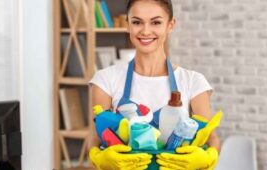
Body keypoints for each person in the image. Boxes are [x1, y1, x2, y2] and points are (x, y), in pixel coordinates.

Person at [88, 0, 221, 169]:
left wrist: (208, 157)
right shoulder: (106, 80)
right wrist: (98, 158)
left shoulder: (193, 81)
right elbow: (94, 139)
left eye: (156, 22)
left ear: (170, 25)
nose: (145, 31)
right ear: (128, 25)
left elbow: (212, 138)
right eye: (137, 22)